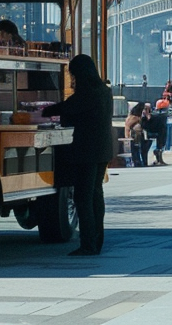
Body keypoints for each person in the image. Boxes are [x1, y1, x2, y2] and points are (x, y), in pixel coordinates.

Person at [41, 53, 114, 256]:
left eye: (73, 75)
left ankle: (88, 244)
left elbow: (68, 107)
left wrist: (43, 111)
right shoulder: (104, 91)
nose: (72, 80)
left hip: (87, 151)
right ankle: (97, 241)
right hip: (102, 150)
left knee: (83, 196)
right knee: (96, 195)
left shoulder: (88, 94)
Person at [124, 103, 148, 167]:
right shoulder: (134, 118)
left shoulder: (138, 117)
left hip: (138, 137)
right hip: (133, 137)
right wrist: (127, 137)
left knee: (137, 149)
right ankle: (136, 162)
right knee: (135, 149)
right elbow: (127, 127)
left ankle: (139, 161)